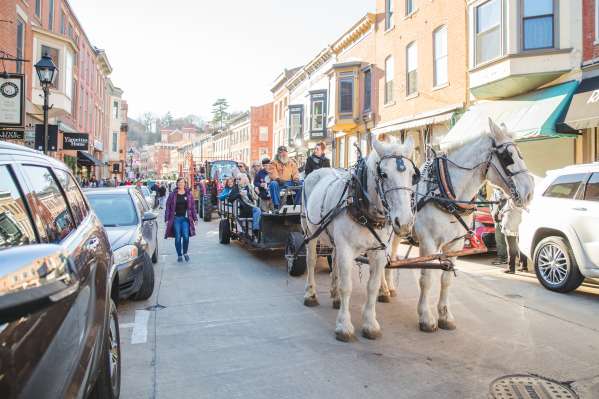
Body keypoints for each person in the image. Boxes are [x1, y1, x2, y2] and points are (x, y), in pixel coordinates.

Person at [165, 177, 198, 262]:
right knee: (178, 237)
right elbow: (168, 207)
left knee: (186, 237)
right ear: (177, 184)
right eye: (179, 183)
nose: (181, 184)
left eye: (182, 182)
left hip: (185, 219)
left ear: (185, 184)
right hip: (176, 219)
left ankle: (185, 252)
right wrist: (167, 219)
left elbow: (193, 208)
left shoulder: (189, 194)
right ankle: (179, 255)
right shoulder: (172, 195)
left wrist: (195, 218)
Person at [228, 173, 262, 241]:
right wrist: (239, 194)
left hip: (250, 206)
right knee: (257, 210)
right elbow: (230, 199)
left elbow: (254, 198)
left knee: (258, 210)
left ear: (244, 180)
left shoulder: (249, 187)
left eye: (239, 179)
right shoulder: (236, 188)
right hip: (241, 208)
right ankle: (253, 231)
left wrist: (248, 194)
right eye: (237, 179)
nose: (237, 181)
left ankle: (256, 229)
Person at [500, 200, 528, 274]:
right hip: (521, 223)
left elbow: (510, 206)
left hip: (510, 223)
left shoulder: (512, 197)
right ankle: (524, 266)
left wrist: (501, 212)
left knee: (511, 246)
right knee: (521, 245)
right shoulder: (526, 196)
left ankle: (511, 268)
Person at [491, 188, 508, 265]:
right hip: (497, 219)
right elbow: (493, 205)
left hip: (503, 219)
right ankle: (504, 257)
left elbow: (503, 203)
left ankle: (503, 258)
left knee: (502, 239)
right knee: (499, 239)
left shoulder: (504, 191)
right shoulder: (494, 191)